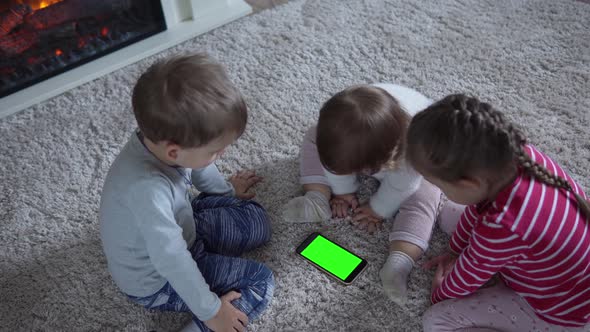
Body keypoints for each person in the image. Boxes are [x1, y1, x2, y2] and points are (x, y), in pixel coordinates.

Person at [99, 54, 274, 332]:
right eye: (215, 151)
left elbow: (198, 167)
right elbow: (173, 259)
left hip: (184, 227)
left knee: (256, 222)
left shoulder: (167, 141)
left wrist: (227, 190)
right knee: (261, 280)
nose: (221, 154)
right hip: (160, 280)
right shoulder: (146, 189)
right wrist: (212, 311)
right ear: (173, 151)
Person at [406, 94, 590, 331]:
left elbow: (469, 276)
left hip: (565, 312)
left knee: (436, 320)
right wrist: (454, 250)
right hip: (564, 270)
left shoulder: (503, 225)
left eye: (441, 186)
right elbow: (475, 210)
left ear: (469, 184)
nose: (440, 190)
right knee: (449, 213)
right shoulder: (520, 156)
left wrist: (440, 293)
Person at [283, 84, 441, 305]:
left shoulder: (413, 148)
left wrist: (378, 209)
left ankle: (401, 260)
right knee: (314, 137)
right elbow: (334, 164)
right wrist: (342, 192)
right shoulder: (338, 129)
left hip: (411, 163)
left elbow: (401, 186)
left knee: (427, 193)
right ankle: (316, 197)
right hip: (368, 144)